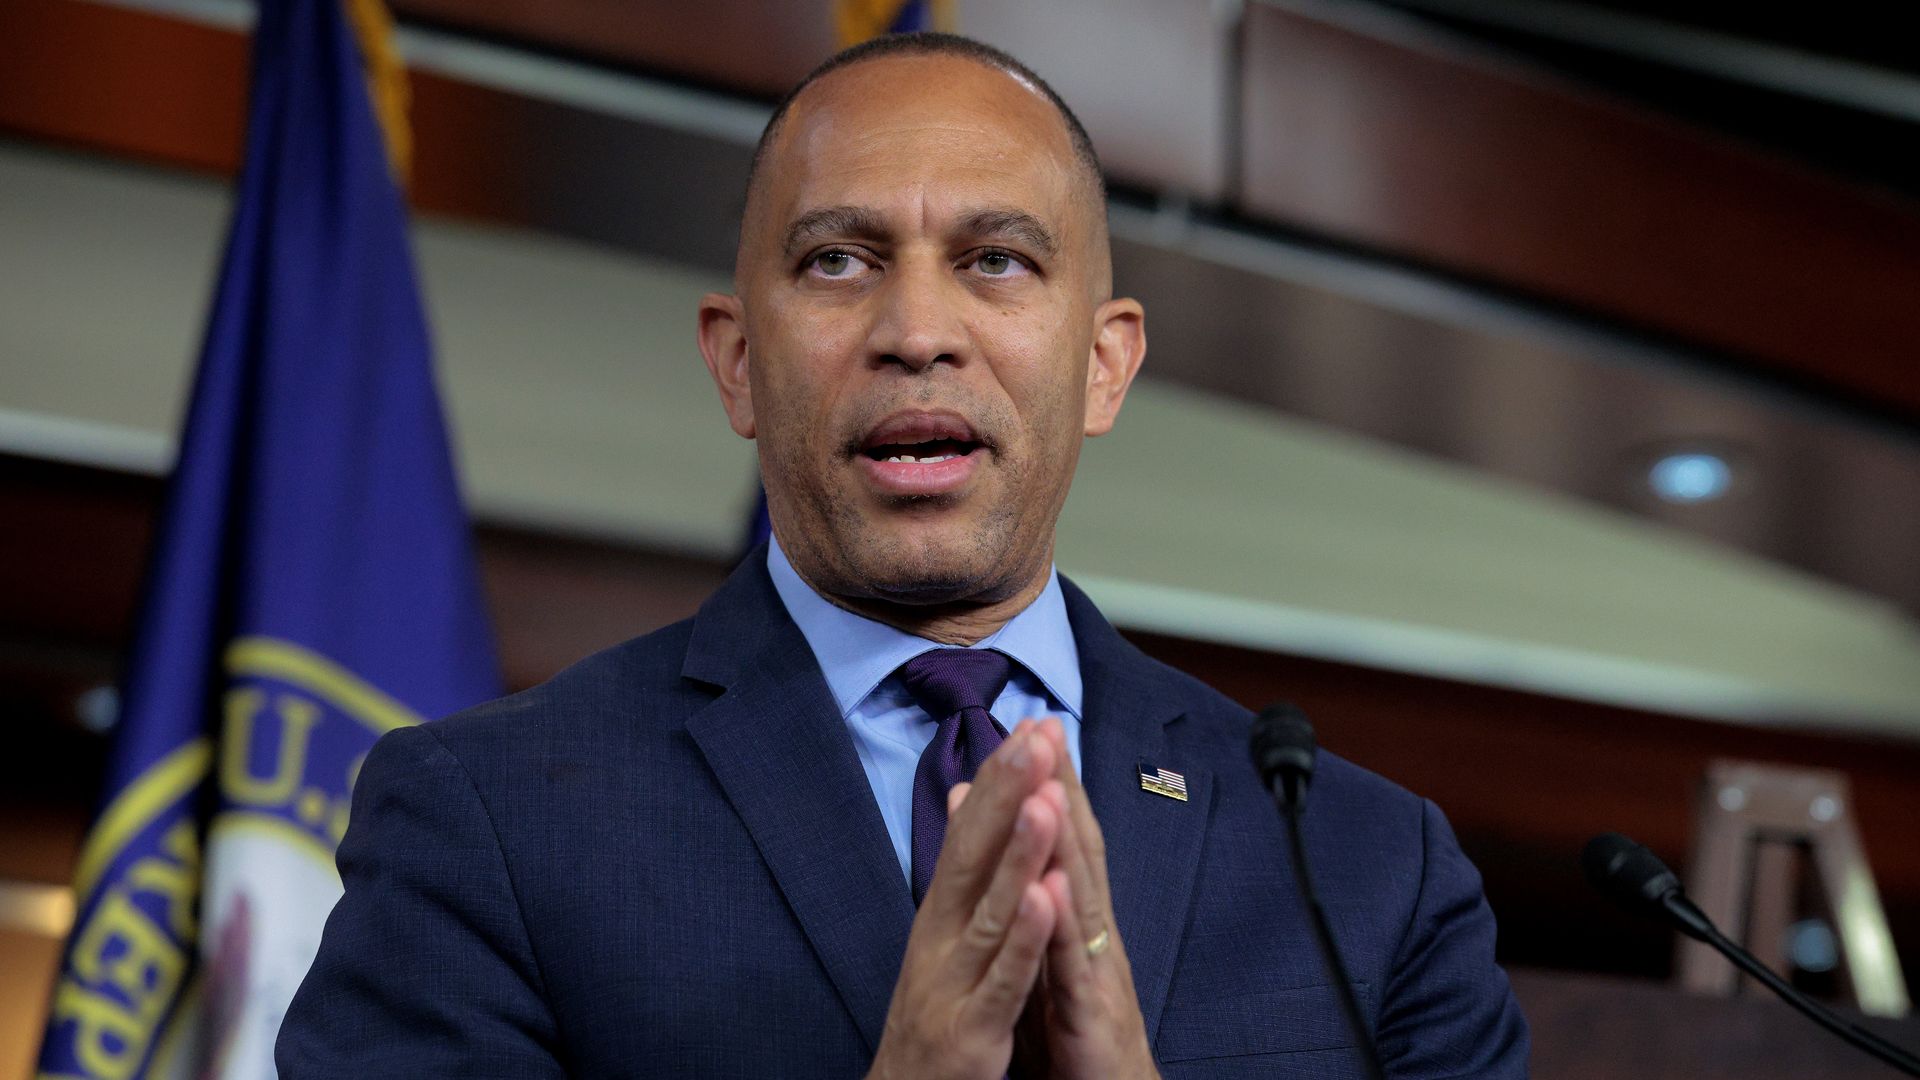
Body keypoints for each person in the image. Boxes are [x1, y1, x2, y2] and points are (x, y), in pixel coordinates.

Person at [278, 31, 1529, 1079]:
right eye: (838, 261)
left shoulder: (1369, 873)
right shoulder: (486, 822)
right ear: (736, 361)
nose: (918, 330)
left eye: (996, 261)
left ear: (1105, 363)